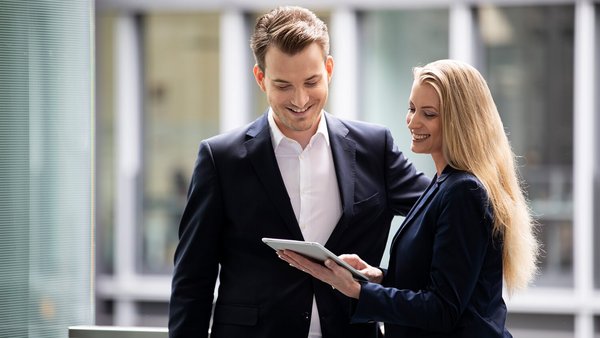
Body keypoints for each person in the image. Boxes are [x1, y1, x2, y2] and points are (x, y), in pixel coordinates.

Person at [168, 6, 430, 338]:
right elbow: (193, 278)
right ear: (261, 78)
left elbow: (440, 216)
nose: (300, 99)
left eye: (311, 81)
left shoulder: (374, 147)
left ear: (329, 69)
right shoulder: (221, 158)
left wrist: (384, 278)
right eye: (283, 85)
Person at [280, 59, 540, 337]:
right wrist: (378, 277)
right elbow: (435, 281)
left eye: (428, 114)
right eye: (412, 108)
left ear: (460, 121)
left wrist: (357, 291)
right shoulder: (443, 182)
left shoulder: (464, 191)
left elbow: (443, 310)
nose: (413, 122)